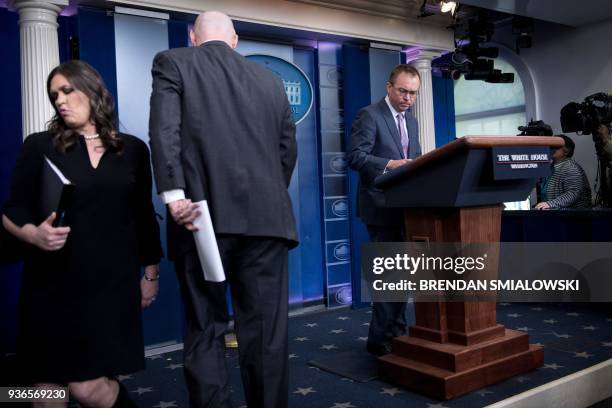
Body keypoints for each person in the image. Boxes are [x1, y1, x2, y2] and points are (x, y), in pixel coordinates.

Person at [149, 11, 297, 408]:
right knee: (266, 333)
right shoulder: (270, 80)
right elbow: (287, 150)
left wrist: (174, 195)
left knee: (206, 327)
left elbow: (164, 131)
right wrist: (266, 194)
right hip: (268, 222)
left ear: (193, 36)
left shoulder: (173, 61)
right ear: (234, 41)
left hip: (200, 220)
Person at [1, 60, 162, 406]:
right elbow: (11, 211)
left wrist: (150, 273)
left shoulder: (133, 150)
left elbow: (143, 216)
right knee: (45, 396)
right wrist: (32, 235)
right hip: (49, 286)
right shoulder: (39, 145)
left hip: (108, 287)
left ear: (92, 91)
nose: (59, 99)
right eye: (54, 94)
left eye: (67, 90)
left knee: (88, 388)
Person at [347, 64, 422, 356]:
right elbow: (356, 157)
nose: (407, 98)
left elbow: (412, 158)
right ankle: (379, 341)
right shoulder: (370, 114)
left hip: (405, 206)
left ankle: (398, 333)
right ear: (389, 88)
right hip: (379, 206)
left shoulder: (412, 121)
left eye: (413, 93)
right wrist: (391, 164)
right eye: (402, 91)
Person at [535, 134, 592, 209]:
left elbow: (573, 193)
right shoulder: (551, 167)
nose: (550, 148)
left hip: (573, 217)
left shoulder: (570, 167)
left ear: (566, 151)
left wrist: (550, 204)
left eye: (555, 146)